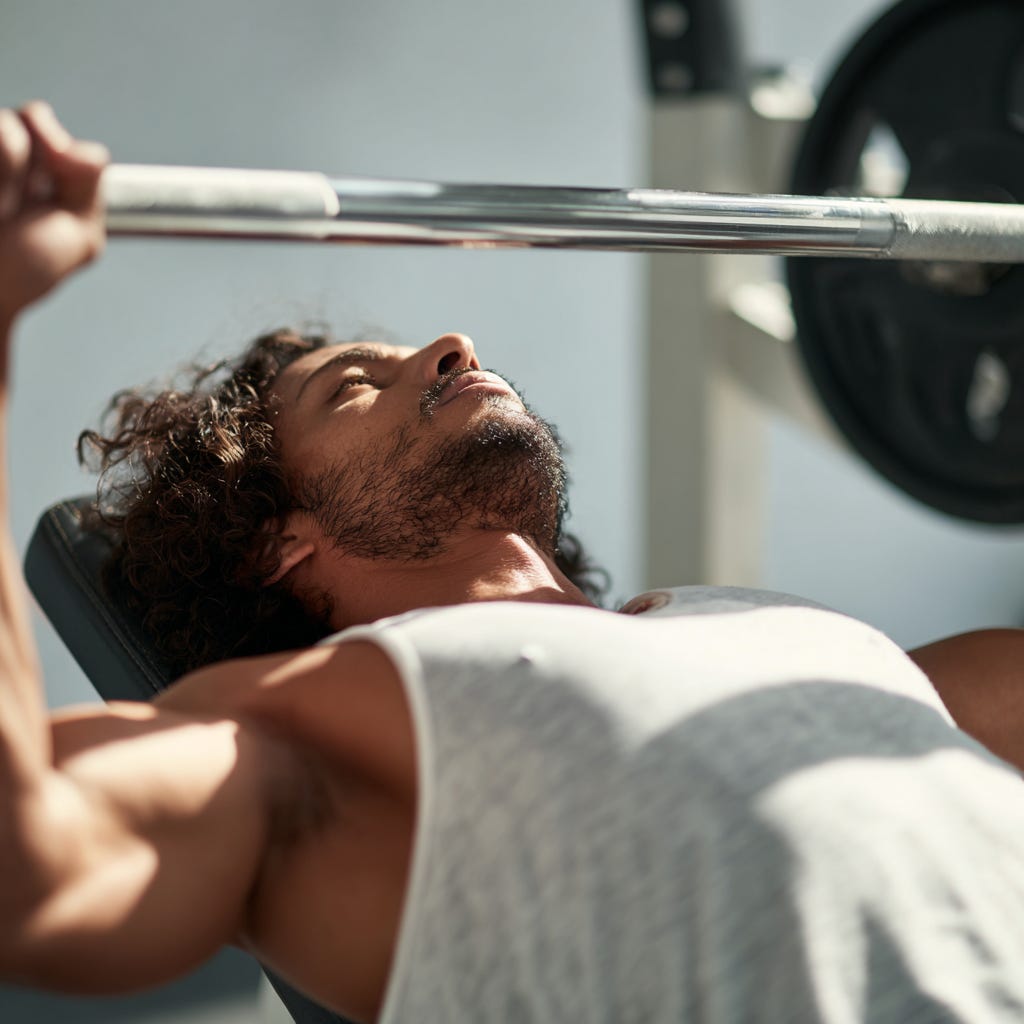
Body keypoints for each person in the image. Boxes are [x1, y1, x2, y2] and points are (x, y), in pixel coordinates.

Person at [2, 102, 1024, 1024]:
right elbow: (32, 869)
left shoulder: (784, 636)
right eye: (354, 387)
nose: (452, 344)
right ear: (277, 539)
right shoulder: (304, 733)